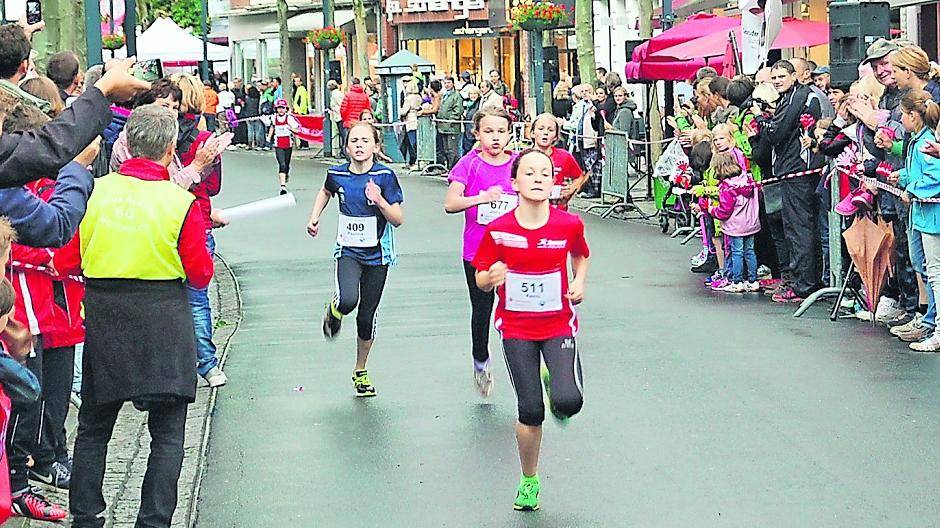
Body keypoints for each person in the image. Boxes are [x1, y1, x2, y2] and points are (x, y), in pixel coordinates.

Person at [68, 104, 213, 528]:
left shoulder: (95, 192)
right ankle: (153, 520)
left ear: (126, 144)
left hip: (105, 315)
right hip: (163, 318)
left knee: (94, 426)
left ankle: (87, 516)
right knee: (167, 434)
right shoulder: (180, 202)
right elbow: (201, 274)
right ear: (170, 150)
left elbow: (66, 257)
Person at [472, 148, 589, 512]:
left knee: (569, 403)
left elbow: (580, 254)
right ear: (515, 182)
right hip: (517, 328)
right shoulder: (500, 229)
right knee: (531, 410)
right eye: (530, 173)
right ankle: (529, 479)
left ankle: (557, 380)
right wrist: (490, 278)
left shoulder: (568, 225)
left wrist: (579, 281)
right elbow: (481, 275)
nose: (538, 179)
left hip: (558, 323)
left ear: (553, 182)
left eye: (545, 173)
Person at [306, 122, 404, 397]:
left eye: (365, 141)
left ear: (375, 146)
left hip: (377, 255)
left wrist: (380, 201)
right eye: (354, 141)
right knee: (348, 300)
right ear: (347, 147)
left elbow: (397, 220)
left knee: (366, 317)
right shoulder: (336, 174)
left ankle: (360, 369)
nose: (359, 145)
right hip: (348, 251)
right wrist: (315, 217)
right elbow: (325, 191)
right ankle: (335, 310)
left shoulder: (385, 176)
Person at [444, 107, 517, 397]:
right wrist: (481, 199)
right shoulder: (469, 165)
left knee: (519, 308)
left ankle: (531, 363)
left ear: (510, 134)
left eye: (501, 131)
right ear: (477, 134)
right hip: (478, 252)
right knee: (483, 310)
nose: (495, 137)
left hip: (515, 251)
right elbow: (450, 203)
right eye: (488, 131)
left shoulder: (518, 163)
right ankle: (480, 361)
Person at [759, 60, 822, 303]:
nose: (777, 81)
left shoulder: (800, 96)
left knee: (799, 229)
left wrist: (762, 122)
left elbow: (777, 132)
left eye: (782, 76)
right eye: (773, 78)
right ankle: (802, 281)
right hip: (790, 170)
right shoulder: (791, 97)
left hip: (799, 171)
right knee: (796, 228)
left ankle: (804, 285)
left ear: (795, 76)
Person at [891, 90, 940, 351]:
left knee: (934, 272)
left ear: (913, 115)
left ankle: (935, 324)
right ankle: (931, 319)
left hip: (931, 216)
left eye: (902, 115)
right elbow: (919, 173)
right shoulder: (917, 140)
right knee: (924, 267)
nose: (900, 120)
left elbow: (935, 178)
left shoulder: (926, 142)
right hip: (921, 216)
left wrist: (912, 188)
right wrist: (903, 176)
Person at [702, 151, 761, 293]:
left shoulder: (727, 187)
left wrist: (711, 209)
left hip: (735, 226)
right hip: (751, 222)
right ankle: (752, 281)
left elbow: (724, 211)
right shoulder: (748, 180)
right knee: (750, 252)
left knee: (737, 252)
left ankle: (737, 281)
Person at [530, 113, 584, 210]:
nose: (545, 133)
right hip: (531, 212)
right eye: (541, 129)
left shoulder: (564, 156)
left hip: (558, 212)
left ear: (555, 136)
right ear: (533, 133)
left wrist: (571, 189)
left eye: (550, 130)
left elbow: (580, 177)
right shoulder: (523, 157)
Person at [566, 84, 604, 198]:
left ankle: (594, 190)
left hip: (591, 138)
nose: (585, 93)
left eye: (587, 91)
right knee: (586, 165)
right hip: (581, 139)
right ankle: (588, 188)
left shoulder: (594, 105)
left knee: (593, 165)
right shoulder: (580, 106)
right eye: (582, 91)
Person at [268, 99, 300, 195]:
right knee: (282, 164)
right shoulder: (274, 118)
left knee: (286, 164)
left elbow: (297, 130)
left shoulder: (289, 118)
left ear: (286, 109)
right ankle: (283, 186)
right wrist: (269, 137)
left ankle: (286, 174)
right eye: (279, 108)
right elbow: (272, 127)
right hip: (278, 144)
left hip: (288, 144)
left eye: (282, 108)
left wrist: (290, 128)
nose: (281, 110)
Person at [437, 76, 464, 169]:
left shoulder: (456, 95)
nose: (447, 85)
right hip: (442, 127)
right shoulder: (444, 95)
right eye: (445, 83)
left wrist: (450, 120)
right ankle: (448, 167)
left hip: (452, 127)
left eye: (448, 83)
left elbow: (458, 110)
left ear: (453, 83)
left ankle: (453, 168)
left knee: (453, 150)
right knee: (446, 149)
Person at [400, 83, 422, 167]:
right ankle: (413, 160)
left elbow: (404, 111)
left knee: (412, 143)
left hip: (410, 121)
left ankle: (414, 160)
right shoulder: (418, 97)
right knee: (415, 142)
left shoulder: (408, 98)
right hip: (417, 120)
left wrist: (400, 111)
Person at [462, 85, 481, 154]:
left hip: (473, 130)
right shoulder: (467, 104)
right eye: (471, 94)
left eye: (475, 94)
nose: (473, 96)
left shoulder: (479, 104)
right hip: (467, 130)